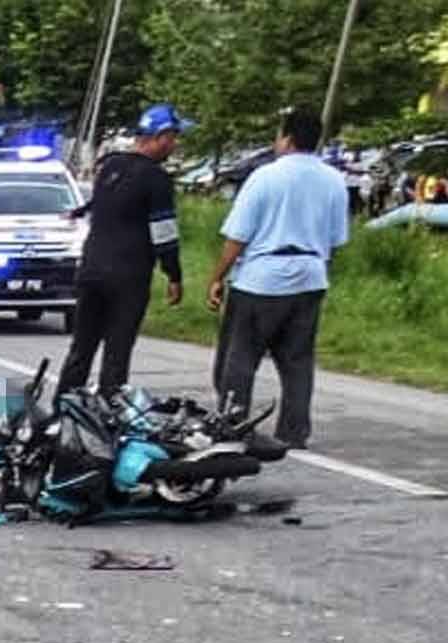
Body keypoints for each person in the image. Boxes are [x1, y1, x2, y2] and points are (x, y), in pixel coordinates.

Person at [208, 107, 349, 450]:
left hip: (262, 278)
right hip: (310, 276)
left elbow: (237, 237)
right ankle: (294, 430)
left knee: (239, 358)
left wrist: (217, 277)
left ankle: (234, 423)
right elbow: (335, 240)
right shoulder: (334, 181)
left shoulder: (265, 177)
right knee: (298, 360)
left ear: (286, 139)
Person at [54, 103, 190, 402]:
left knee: (82, 347)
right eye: (173, 137)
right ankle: (107, 411)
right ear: (160, 136)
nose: (175, 145)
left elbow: (102, 206)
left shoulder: (110, 167)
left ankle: (62, 408)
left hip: (91, 270)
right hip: (127, 277)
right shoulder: (156, 179)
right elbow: (163, 232)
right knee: (117, 350)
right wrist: (174, 275)